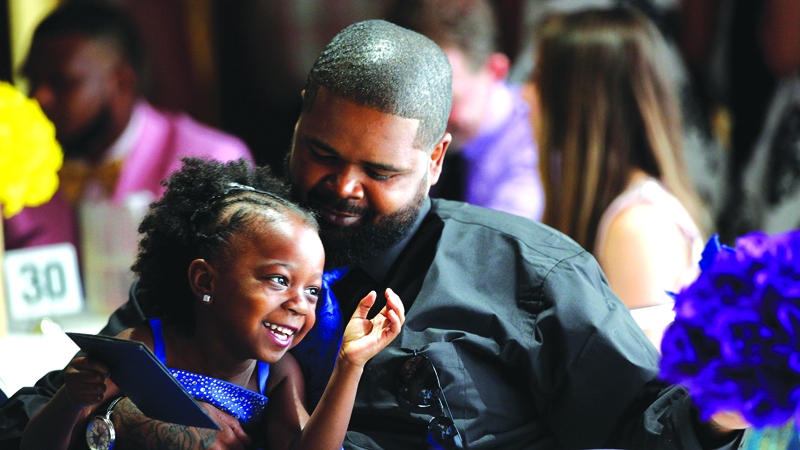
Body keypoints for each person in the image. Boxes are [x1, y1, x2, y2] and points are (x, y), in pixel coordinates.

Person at [1, 19, 748, 450]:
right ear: (298, 123)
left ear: (436, 160)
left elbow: (649, 429)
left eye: (379, 170)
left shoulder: (529, 275)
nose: (344, 188)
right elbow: (80, 383)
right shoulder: (228, 244)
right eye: (323, 154)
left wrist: (730, 392)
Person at [19, 157, 405, 450]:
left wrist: (349, 366)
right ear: (206, 280)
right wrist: (70, 400)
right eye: (279, 280)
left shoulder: (280, 375)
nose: (299, 305)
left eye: (312, 291)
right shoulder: (141, 350)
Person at [2, 2, 252, 311]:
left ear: (122, 82)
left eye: (62, 82)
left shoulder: (212, 159)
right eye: (31, 81)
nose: (39, 97)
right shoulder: (14, 160)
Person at [526, 6, 710, 349]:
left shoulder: (638, 227)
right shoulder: (625, 213)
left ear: (578, 100)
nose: (525, 94)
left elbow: (644, 391)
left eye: (536, 78)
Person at [387, 0, 544, 221]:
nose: (430, 119)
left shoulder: (532, 147)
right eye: (417, 99)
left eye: (447, 98)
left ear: (497, 70)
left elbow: (497, 246)